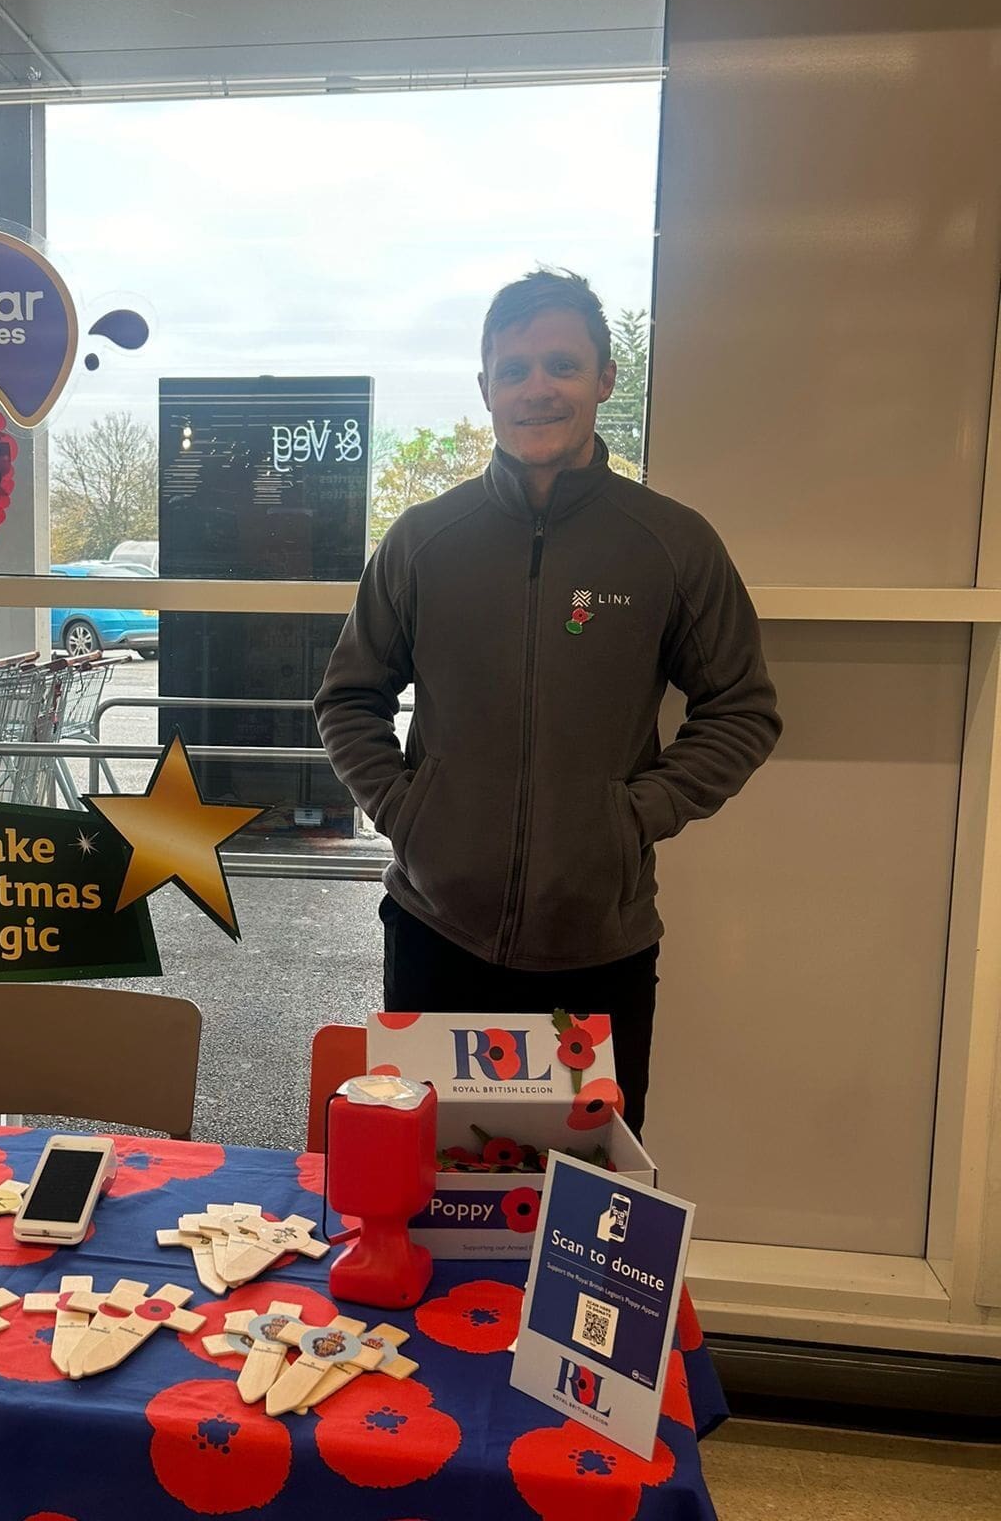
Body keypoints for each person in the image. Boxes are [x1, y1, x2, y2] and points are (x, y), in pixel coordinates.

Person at [315, 269, 781, 1134]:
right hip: (434, 935)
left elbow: (743, 706)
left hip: (599, 950)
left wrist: (636, 814)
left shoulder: (670, 543)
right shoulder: (424, 541)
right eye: (516, 368)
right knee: (431, 1190)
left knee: (582, 1208)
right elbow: (348, 699)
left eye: (562, 365)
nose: (538, 389)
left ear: (604, 379)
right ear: (486, 387)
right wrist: (410, 813)